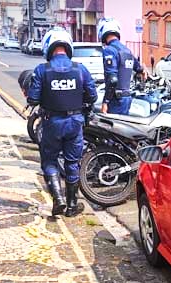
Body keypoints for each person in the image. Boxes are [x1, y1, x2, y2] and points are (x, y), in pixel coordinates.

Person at [27, 28, 97, 218]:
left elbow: (33, 99)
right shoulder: (80, 68)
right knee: (72, 162)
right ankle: (72, 206)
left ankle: (58, 199)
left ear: (48, 47)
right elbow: (93, 95)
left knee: (49, 160)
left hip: (52, 123)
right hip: (75, 122)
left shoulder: (42, 70)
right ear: (68, 46)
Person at [96, 18, 143, 114]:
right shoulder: (126, 50)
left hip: (116, 101)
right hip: (127, 98)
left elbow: (112, 80)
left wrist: (105, 102)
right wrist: (142, 72)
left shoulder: (109, 50)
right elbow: (139, 68)